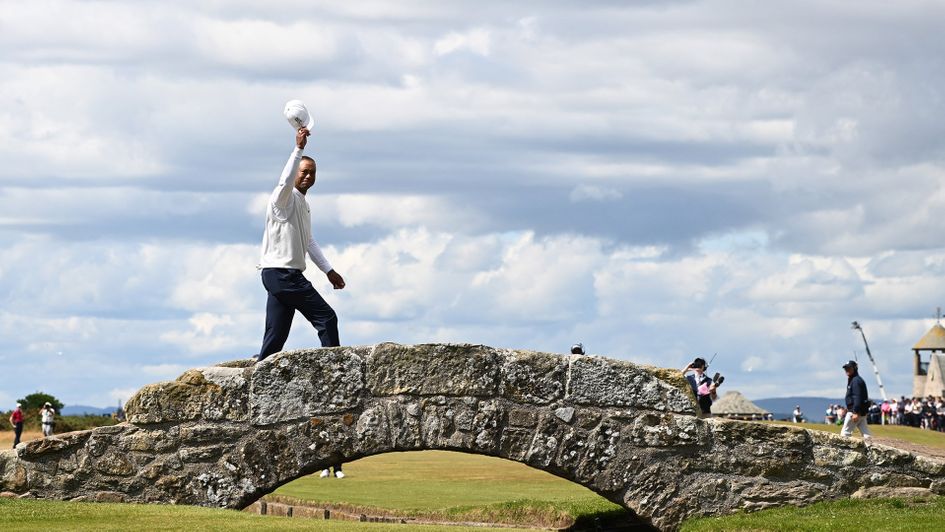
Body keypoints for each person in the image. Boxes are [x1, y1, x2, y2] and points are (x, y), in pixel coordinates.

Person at [255, 126, 346, 363]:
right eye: (304, 171)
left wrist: (329, 270)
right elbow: (285, 182)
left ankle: (259, 372)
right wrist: (298, 149)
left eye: (312, 172)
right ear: (296, 172)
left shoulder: (303, 204)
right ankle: (335, 370)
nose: (308, 176)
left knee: (276, 336)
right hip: (284, 275)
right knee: (326, 318)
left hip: (277, 275)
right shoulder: (283, 199)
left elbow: (309, 240)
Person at [840, 360, 872, 442]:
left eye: (849, 368)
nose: (847, 370)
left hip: (855, 412)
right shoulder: (855, 379)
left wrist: (855, 412)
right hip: (861, 412)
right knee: (866, 435)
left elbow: (857, 397)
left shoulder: (856, 381)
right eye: (846, 368)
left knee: (845, 434)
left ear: (854, 368)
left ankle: (844, 453)